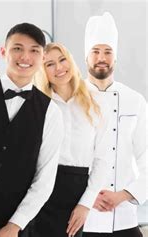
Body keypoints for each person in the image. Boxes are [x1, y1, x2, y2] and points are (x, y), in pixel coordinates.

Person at [0, 22, 64, 237]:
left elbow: (44, 179)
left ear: (42, 57)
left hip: (16, 226)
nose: (25, 57)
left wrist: (14, 226)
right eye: (17, 48)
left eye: (34, 51)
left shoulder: (51, 112)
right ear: (4, 52)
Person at [31, 42, 110, 237]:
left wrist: (85, 204)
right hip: (41, 185)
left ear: (71, 61)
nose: (59, 68)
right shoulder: (38, 105)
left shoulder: (95, 102)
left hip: (76, 189)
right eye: (49, 64)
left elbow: (102, 158)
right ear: (42, 71)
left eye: (62, 60)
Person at [82, 12, 147, 237]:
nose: (102, 57)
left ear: (115, 58)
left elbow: (147, 158)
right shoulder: (72, 98)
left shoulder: (135, 100)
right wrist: (89, 196)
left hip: (124, 217)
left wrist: (123, 195)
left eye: (108, 52)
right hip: (81, 217)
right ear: (86, 57)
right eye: (96, 51)